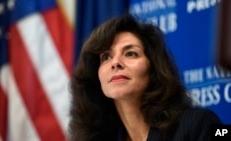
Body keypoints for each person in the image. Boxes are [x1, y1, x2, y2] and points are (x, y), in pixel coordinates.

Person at [68, 14, 222, 141]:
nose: (115, 63)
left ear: (154, 68)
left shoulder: (198, 125)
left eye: (130, 53)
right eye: (106, 57)